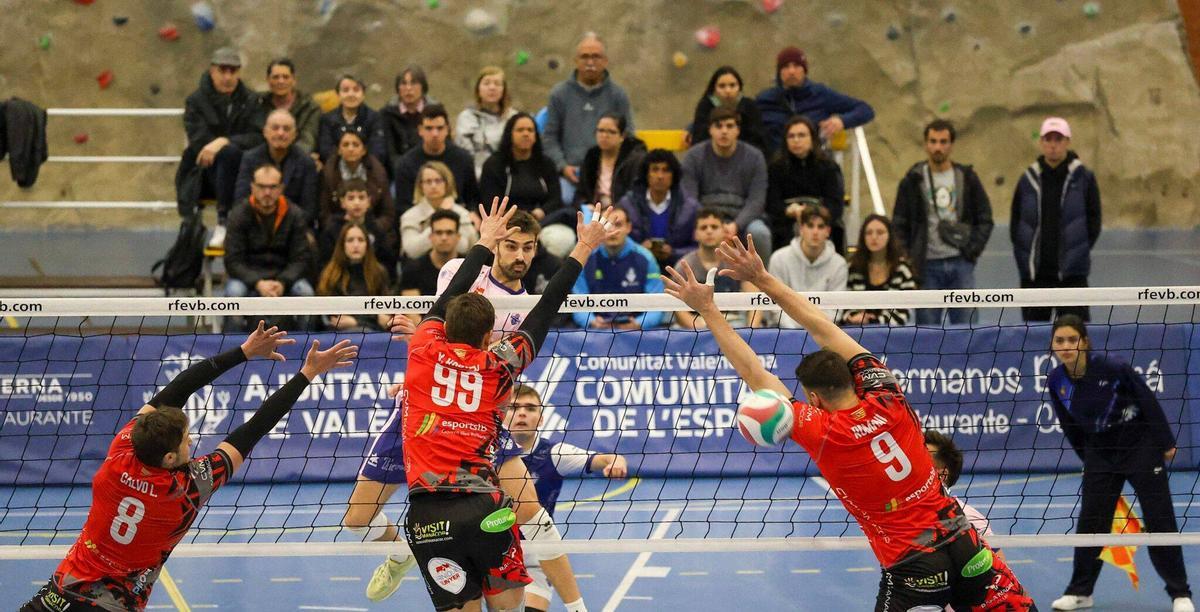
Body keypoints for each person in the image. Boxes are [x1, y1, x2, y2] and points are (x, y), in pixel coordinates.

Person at [661, 235, 1033, 611]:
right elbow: (823, 327)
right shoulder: (887, 394)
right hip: (963, 541)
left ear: (814, 398)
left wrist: (707, 309)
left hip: (914, 562)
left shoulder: (819, 430)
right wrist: (762, 277)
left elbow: (753, 371)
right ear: (852, 376)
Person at [21, 324, 357, 612]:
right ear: (169, 458)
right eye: (186, 440)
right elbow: (254, 428)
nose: (192, 441)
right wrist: (307, 373)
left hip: (61, 592)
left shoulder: (123, 450)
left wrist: (243, 351)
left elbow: (178, 388)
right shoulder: (190, 487)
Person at [398, 197, 615, 612]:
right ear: (488, 339)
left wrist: (483, 241)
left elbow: (448, 297)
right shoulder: (499, 367)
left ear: (441, 327)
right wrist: (583, 246)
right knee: (510, 604)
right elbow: (547, 306)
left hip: (427, 515)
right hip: (484, 509)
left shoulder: (422, 347)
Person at [1046, 315, 1192, 612]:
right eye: (1059, 340)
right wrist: (1089, 458)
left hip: (1139, 447)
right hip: (1100, 453)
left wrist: (1165, 442)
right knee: (1091, 523)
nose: (1066, 346)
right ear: (1053, 345)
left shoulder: (1113, 368)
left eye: (1071, 339)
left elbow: (1147, 399)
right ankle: (1080, 592)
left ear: (1084, 342)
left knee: (1160, 520)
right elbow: (1069, 425)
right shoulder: (1057, 380)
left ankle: (1180, 594)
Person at [499, 384, 628, 612]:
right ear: (502, 414)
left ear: (540, 419)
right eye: (514, 407)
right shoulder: (486, 455)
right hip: (497, 553)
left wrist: (615, 461)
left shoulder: (554, 454)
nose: (521, 413)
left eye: (529, 408)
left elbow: (603, 459)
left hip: (538, 556)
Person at [892, 119, 993, 326]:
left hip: (961, 263)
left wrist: (971, 251)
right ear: (925, 144)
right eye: (933, 141)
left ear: (951, 145)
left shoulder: (967, 178)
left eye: (943, 141)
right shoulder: (913, 180)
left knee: (968, 330)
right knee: (928, 334)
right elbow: (899, 223)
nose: (938, 147)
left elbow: (985, 218)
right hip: (926, 266)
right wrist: (910, 259)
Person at [1011, 117, 1102, 323]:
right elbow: (1017, 222)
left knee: (1075, 337)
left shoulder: (1083, 178)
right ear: (1041, 142)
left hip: (1072, 277)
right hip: (1036, 277)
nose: (1053, 145)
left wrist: (1077, 251)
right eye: (1048, 139)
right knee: (1032, 338)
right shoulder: (1028, 179)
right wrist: (1026, 258)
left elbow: (1094, 221)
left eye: (1058, 139)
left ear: (1067, 141)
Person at [176, 47, 264, 242]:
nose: (228, 77)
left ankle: (225, 222)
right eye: (222, 71)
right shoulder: (196, 101)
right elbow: (198, 140)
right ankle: (224, 221)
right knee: (227, 154)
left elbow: (258, 136)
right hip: (205, 173)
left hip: (242, 171)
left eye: (233, 71)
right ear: (212, 71)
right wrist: (221, 146)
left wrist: (223, 141)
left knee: (229, 152)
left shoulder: (250, 100)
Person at [543, 32, 635, 204]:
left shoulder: (618, 95)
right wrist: (562, 167)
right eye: (585, 57)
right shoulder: (559, 94)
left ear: (605, 61)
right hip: (571, 174)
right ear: (575, 61)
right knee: (563, 199)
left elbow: (628, 135)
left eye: (596, 57)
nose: (590, 62)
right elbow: (549, 138)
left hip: (609, 175)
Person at [223, 164, 315, 330]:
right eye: (261, 187)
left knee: (306, 293)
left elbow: (301, 259)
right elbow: (233, 261)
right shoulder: (237, 215)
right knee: (233, 295)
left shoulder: (295, 215)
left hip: (284, 276)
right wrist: (258, 283)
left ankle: (307, 349)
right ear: (252, 187)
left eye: (272, 187)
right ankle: (232, 349)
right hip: (249, 277)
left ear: (281, 188)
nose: (267, 192)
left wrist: (282, 282)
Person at [436, 209, 543, 338]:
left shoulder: (529, 310)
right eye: (511, 247)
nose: (520, 257)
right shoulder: (455, 269)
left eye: (527, 248)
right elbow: (439, 325)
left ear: (535, 250)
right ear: (494, 246)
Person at [681, 106, 771, 255]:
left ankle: (760, 277)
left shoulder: (755, 157)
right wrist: (714, 225)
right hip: (704, 217)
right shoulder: (693, 157)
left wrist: (736, 225)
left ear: (738, 130)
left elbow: (757, 200)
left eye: (730, 126)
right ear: (710, 129)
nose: (724, 131)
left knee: (760, 233)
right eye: (718, 126)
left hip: (743, 219)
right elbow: (690, 199)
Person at [755, 46, 875, 154]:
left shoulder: (820, 94)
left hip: (815, 164)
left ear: (804, 70)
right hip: (776, 167)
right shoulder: (764, 100)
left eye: (797, 66)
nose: (791, 71)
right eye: (786, 67)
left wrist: (842, 121)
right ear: (779, 72)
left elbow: (865, 109)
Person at [571, 206, 666, 330]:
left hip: (637, 332)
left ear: (629, 227)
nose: (613, 231)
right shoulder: (585, 258)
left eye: (618, 224)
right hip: (596, 332)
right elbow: (576, 302)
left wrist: (639, 323)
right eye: (607, 225)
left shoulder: (646, 258)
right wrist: (592, 321)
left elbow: (658, 304)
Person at [766, 115, 845, 254]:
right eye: (791, 136)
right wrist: (789, 211)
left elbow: (835, 204)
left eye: (801, 135)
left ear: (812, 139)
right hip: (787, 221)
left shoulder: (828, 167)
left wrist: (814, 214)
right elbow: (771, 203)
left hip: (820, 219)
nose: (796, 140)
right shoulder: (776, 168)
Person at [673, 209, 758, 329]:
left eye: (714, 227)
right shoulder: (685, 265)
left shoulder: (739, 260)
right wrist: (699, 329)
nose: (709, 231)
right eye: (703, 227)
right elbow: (678, 309)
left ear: (724, 231)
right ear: (695, 234)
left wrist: (752, 331)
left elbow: (755, 299)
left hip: (735, 322)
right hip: (697, 325)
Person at [234, 109, 320, 223]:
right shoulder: (250, 158)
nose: (280, 133)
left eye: (286, 129)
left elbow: (309, 209)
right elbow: (241, 201)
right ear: (265, 132)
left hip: (293, 226)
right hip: (255, 224)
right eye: (275, 128)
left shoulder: (306, 162)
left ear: (294, 135)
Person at [767, 204, 847, 324]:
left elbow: (835, 310)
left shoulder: (839, 264)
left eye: (820, 227)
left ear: (828, 231)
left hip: (825, 334)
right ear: (801, 229)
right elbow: (775, 306)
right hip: (785, 332)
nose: (815, 232)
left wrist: (815, 330)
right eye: (810, 226)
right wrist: (797, 331)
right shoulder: (778, 259)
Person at [620, 148, 700, 267]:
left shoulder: (690, 208)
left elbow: (700, 247)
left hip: (678, 270)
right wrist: (639, 249)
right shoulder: (627, 205)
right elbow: (615, 242)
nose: (660, 176)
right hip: (635, 270)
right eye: (655, 169)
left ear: (674, 175)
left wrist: (673, 253)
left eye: (666, 170)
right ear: (646, 174)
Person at [394, 104, 480, 213]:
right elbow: (403, 206)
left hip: (458, 217)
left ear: (447, 129)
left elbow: (472, 198)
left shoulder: (463, 159)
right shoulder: (406, 164)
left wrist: (473, 213)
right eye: (429, 128)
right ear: (420, 130)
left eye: (440, 128)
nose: (435, 134)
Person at [479, 112, 563, 222]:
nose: (526, 134)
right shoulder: (494, 164)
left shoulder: (546, 163)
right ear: (509, 134)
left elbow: (555, 199)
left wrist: (541, 212)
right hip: (505, 221)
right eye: (520, 130)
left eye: (530, 130)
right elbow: (490, 202)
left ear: (535, 135)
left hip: (542, 220)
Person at [923, 430, 998, 547]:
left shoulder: (969, 519)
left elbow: (998, 564)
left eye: (921, 458)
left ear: (941, 475)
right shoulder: (899, 514)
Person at [839, 214, 917, 326]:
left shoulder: (903, 270)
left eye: (880, 232)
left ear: (889, 236)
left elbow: (904, 311)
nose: (874, 237)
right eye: (869, 233)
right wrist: (855, 317)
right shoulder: (853, 268)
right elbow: (844, 303)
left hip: (893, 334)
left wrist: (874, 322)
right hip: (856, 332)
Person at [316, 222, 392, 331]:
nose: (356, 245)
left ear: (367, 245)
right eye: (350, 240)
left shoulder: (379, 272)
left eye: (361, 240)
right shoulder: (330, 274)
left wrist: (356, 321)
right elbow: (335, 318)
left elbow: (385, 318)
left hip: (375, 332)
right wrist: (374, 317)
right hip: (337, 333)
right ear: (342, 245)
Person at [318, 127, 395, 234]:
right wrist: (342, 232)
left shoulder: (378, 173)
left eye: (355, 144)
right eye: (345, 145)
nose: (350, 149)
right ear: (339, 150)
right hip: (338, 231)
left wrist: (370, 230)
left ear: (364, 150)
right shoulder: (328, 173)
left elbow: (388, 214)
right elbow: (324, 214)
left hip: (372, 230)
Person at [318, 178, 397, 278]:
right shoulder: (332, 230)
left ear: (368, 202)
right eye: (351, 198)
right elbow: (325, 263)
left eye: (361, 197)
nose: (357, 203)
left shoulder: (376, 230)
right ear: (342, 202)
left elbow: (387, 262)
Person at [400, 161, 479, 259]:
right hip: (420, 270)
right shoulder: (410, 216)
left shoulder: (461, 213)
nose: (433, 186)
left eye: (438, 181)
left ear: (447, 183)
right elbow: (412, 251)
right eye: (428, 181)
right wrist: (440, 214)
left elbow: (465, 247)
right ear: (421, 186)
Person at [456, 66, 519, 177]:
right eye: (486, 83)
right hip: (475, 175)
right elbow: (464, 153)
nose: (492, 88)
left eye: (497, 84)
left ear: (504, 90)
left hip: (508, 175)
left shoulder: (513, 118)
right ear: (478, 89)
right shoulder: (466, 118)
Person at [574, 113, 646, 208]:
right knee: (565, 214)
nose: (604, 136)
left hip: (622, 213)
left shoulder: (634, 159)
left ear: (622, 136)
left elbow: (636, 195)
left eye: (611, 132)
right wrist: (585, 205)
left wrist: (617, 209)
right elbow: (580, 194)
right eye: (600, 130)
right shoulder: (591, 157)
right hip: (593, 212)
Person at [688, 65, 766, 151]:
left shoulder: (749, 106)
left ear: (739, 87)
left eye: (732, 85)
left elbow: (759, 141)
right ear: (713, 88)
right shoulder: (705, 106)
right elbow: (699, 141)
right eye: (722, 86)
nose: (728, 91)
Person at [316, 75, 387, 164]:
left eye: (356, 90)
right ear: (338, 95)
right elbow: (325, 151)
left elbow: (378, 151)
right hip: (336, 171)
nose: (351, 94)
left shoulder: (374, 118)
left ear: (363, 94)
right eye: (345, 90)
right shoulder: (327, 119)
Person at [260, 58, 320, 156]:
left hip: (298, 159)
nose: (281, 81)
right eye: (276, 77)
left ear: (293, 80)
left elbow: (307, 140)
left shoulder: (310, 107)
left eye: (286, 77)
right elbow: (256, 137)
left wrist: (285, 159)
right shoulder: (259, 103)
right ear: (268, 80)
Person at [381, 65, 436, 173]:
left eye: (413, 83)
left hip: (430, 172)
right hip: (398, 174)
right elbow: (390, 153)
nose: (408, 88)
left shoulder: (435, 112)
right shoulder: (387, 114)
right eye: (404, 83)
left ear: (423, 87)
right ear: (398, 88)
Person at [401, 209, 462, 298]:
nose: (444, 238)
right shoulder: (412, 270)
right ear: (430, 236)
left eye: (449, 232)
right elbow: (412, 310)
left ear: (458, 237)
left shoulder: (470, 267)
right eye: (438, 233)